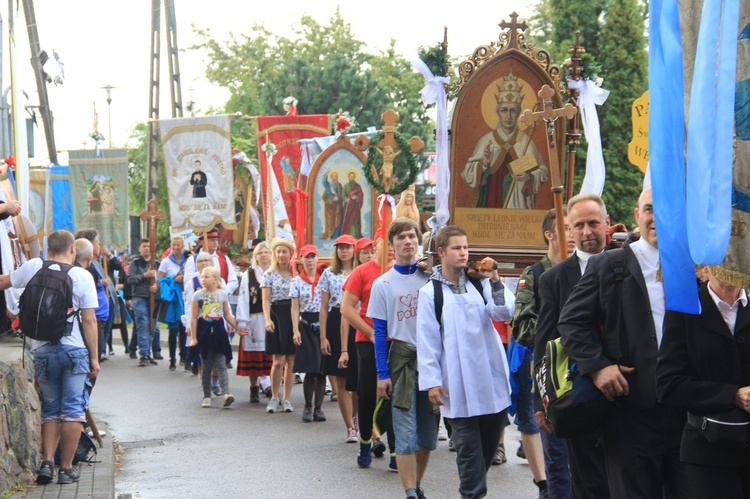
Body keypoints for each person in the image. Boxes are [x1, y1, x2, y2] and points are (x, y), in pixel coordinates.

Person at [558, 188, 688, 499]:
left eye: (666, 208)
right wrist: (598, 367)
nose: (656, 217)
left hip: (686, 412)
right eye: (649, 209)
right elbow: (571, 321)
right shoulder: (610, 264)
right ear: (636, 215)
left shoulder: (694, 263)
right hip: (629, 412)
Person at [417, 225, 515, 499]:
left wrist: (494, 278)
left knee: (486, 449)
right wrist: (433, 383)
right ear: (441, 252)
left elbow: (504, 310)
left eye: (465, 247)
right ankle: (472, 494)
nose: (463, 253)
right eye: (457, 248)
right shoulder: (430, 293)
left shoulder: (479, 283)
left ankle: (471, 492)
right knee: (469, 452)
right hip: (457, 385)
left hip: (490, 379)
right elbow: (427, 342)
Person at [0, 231, 99, 485]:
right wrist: (95, 359)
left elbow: (4, 282)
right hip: (74, 350)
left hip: (42, 350)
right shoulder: (82, 276)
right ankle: (66, 468)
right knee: (73, 410)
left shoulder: (34, 266)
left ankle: (47, 463)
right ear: (73, 250)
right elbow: (89, 320)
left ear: (48, 248)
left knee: (51, 410)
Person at [533, 193, 611, 498]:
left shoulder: (628, 263)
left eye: (593, 223)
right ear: (570, 229)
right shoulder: (554, 279)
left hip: (628, 391)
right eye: (579, 225)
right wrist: (541, 402)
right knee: (586, 482)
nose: (587, 231)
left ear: (606, 223)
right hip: (579, 394)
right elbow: (545, 340)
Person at [657, 268, 750, 497]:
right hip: (709, 453)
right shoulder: (685, 310)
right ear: (704, 269)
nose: (732, 264)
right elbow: (668, 384)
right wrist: (733, 395)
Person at [369, 218, 435, 499]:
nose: (408, 241)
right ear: (393, 245)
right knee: (405, 433)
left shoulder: (432, 276)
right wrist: (382, 373)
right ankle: (409, 492)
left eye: (412, 236)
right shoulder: (383, 284)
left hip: (431, 361)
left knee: (428, 435)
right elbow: (380, 332)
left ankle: (417, 484)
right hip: (402, 361)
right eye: (401, 238)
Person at [511, 209, 574, 499]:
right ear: (550, 234)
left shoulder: (591, 268)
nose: (573, 233)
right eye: (567, 227)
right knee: (558, 463)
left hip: (589, 373)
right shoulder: (535, 275)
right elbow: (522, 328)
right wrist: (566, 327)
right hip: (552, 377)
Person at [342, 236, 397, 471]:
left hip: (399, 342)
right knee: (366, 395)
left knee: (396, 397)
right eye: (389, 243)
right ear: (377, 247)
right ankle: (365, 441)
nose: (393, 248)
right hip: (367, 340)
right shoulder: (363, 271)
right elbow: (346, 308)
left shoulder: (408, 272)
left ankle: (397, 451)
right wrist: (371, 332)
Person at [461, 71, 549, 209]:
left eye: (513, 111)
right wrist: (484, 163)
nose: (508, 116)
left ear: (519, 113)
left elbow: (543, 171)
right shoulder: (487, 141)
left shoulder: (526, 142)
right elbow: (467, 174)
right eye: (504, 110)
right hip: (491, 207)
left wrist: (530, 177)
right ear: (498, 112)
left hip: (519, 207)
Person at [320, 234, 358, 441]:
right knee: (341, 377)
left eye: (348, 247)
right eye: (340, 247)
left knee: (359, 378)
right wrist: (323, 336)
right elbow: (324, 308)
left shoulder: (360, 270)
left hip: (359, 321)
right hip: (336, 320)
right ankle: (349, 426)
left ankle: (359, 420)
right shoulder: (328, 274)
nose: (344, 251)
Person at [189, 266, 238, 408]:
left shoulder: (222, 294)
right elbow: (193, 317)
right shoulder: (197, 296)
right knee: (207, 365)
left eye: (207, 276)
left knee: (221, 363)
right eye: (202, 277)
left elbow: (227, 314)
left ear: (216, 280)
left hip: (219, 332)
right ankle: (207, 396)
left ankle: (225, 394)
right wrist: (193, 337)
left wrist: (236, 326)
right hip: (204, 332)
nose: (203, 279)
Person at [291, 244, 327, 422]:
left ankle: (319, 408)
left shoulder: (324, 278)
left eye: (313, 257)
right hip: (306, 324)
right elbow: (295, 307)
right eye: (307, 257)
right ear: (302, 260)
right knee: (310, 369)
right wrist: (296, 329)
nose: (310, 260)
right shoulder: (297, 281)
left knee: (322, 370)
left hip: (322, 324)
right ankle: (307, 406)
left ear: (317, 259)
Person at [262, 238, 296, 413]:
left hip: (293, 315)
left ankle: (287, 398)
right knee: (278, 360)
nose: (282, 255)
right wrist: (268, 319)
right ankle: (274, 396)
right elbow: (266, 300)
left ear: (290, 254)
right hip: (276, 314)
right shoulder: (269, 274)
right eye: (279, 252)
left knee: (291, 360)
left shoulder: (295, 274)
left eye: (285, 251)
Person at [236, 241, 273, 403]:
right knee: (254, 353)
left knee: (272, 355)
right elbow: (243, 299)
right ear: (255, 257)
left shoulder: (276, 273)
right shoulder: (248, 275)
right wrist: (242, 322)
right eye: (260, 253)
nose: (263, 255)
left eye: (266, 252)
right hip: (254, 318)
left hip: (273, 319)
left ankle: (272, 386)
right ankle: (254, 387)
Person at [74, 229, 110, 364]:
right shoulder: (86, 269)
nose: (99, 247)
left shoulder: (93, 265)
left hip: (98, 318)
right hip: (93, 319)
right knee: (91, 364)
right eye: (97, 244)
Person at [127, 238, 161, 367]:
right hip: (140, 297)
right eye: (144, 246)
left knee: (153, 326)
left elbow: (163, 280)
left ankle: (148, 352)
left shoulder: (157, 263)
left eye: (149, 246)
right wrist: (144, 276)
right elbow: (130, 279)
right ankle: (144, 354)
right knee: (143, 324)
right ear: (139, 248)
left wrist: (157, 286)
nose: (147, 248)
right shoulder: (135, 263)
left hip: (154, 298)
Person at [182, 252, 217, 375]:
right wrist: (188, 324)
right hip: (199, 320)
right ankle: (205, 381)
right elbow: (187, 305)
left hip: (215, 320)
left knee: (216, 353)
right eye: (200, 261)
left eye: (206, 260)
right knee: (203, 353)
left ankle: (215, 381)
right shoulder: (192, 282)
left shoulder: (218, 279)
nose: (204, 263)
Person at [157, 236, 188, 371]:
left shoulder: (188, 260)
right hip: (173, 299)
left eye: (178, 245)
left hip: (185, 298)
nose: (176, 248)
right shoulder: (165, 262)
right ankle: (172, 358)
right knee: (173, 329)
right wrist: (174, 279)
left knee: (184, 329)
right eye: (174, 245)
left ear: (182, 246)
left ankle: (184, 357)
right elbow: (160, 279)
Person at [183, 229, 238, 296]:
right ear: (203, 242)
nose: (215, 243)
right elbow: (187, 280)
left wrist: (223, 292)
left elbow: (233, 281)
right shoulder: (192, 259)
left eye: (216, 240)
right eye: (212, 240)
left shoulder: (224, 258)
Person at [341, 171, 364, 238]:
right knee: (348, 220)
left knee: (355, 220)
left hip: (355, 206)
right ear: (348, 177)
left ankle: (355, 235)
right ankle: (348, 235)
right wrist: (346, 199)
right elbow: (343, 194)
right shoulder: (346, 186)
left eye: (353, 177)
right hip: (348, 207)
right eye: (351, 176)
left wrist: (357, 198)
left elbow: (361, 194)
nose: (352, 178)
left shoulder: (357, 186)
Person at [321, 170, 344, 240]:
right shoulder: (329, 185)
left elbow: (342, 196)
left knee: (337, 220)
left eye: (336, 176)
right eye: (334, 176)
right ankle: (329, 235)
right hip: (330, 207)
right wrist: (330, 200)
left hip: (337, 206)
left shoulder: (339, 185)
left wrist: (338, 198)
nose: (335, 177)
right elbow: (324, 196)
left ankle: (336, 235)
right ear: (331, 177)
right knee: (330, 221)